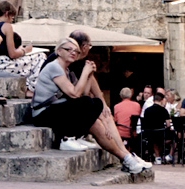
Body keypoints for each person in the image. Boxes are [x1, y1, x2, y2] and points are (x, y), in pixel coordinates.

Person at [31, 37, 146, 174]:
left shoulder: (67, 70)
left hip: (58, 110)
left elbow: (83, 94)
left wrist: (89, 74)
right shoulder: (54, 67)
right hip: (43, 113)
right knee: (88, 104)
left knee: (95, 105)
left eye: (76, 51)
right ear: (59, 51)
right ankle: (66, 138)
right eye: (69, 50)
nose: (73, 53)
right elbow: (74, 94)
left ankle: (126, 158)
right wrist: (85, 72)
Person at [0, 0, 46, 97]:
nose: (12, 20)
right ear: (7, 14)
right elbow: (12, 54)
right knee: (40, 56)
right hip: (3, 64)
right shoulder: (6, 26)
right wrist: (25, 50)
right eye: (12, 17)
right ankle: (30, 88)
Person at [141, 90, 173, 164]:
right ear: (162, 100)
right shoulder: (163, 110)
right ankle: (169, 155)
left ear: (153, 100)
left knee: (154, 139)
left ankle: (157, 157)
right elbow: (168, 124)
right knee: (175, 137)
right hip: (161, 134)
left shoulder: (147, 110)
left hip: (149, 134)